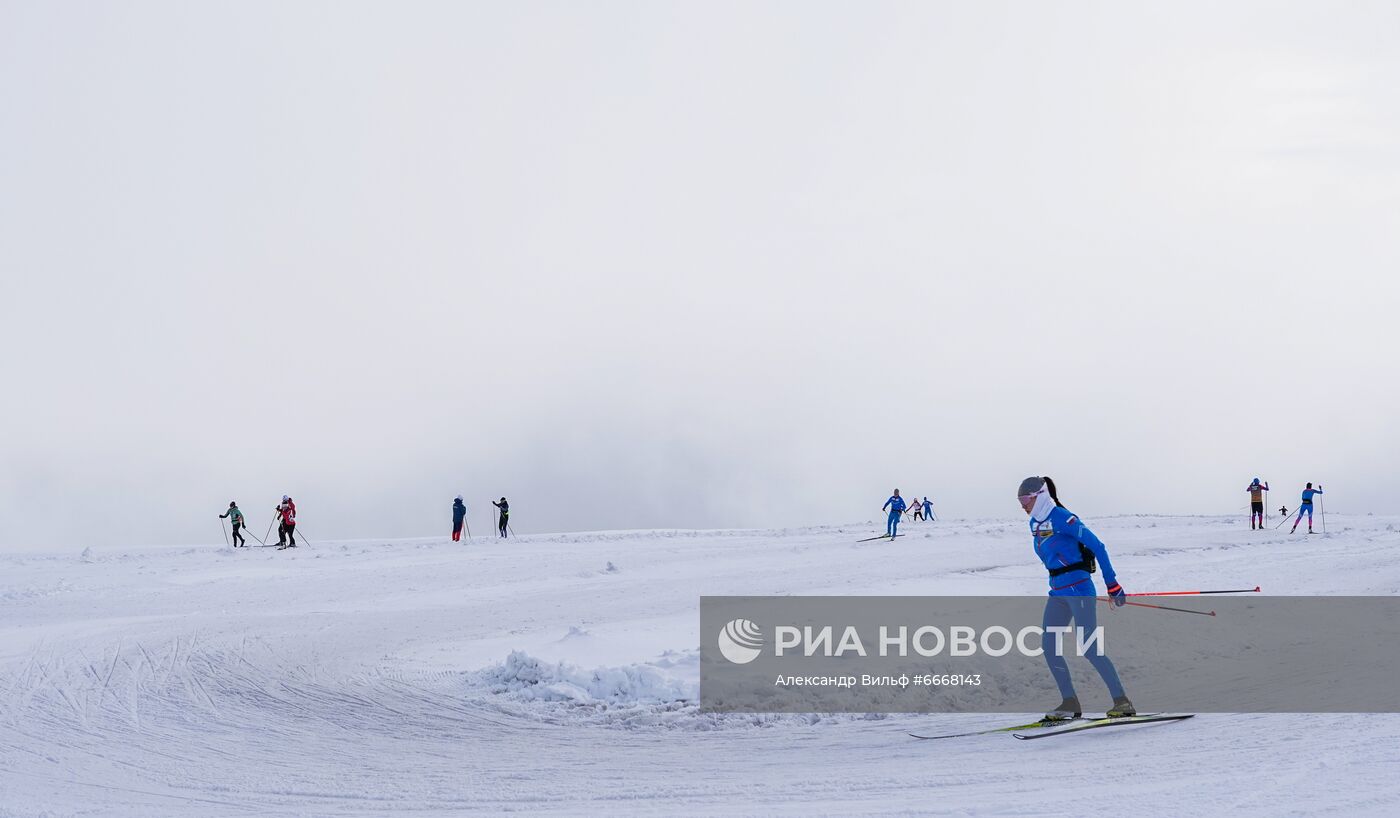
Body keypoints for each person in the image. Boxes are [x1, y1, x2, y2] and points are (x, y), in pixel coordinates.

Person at [1018, 475, 1135, 720]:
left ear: (1040, 496)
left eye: (1026, 500)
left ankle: (1122, 702)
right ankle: (1069, 702)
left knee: (1089, 647)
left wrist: (1112, 584)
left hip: (1079, 589)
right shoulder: (1035, 524)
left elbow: (1098, 546)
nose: (1023, 505)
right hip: (1058, 592)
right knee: (1049, 646)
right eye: (1020, 501)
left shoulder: (1063, 517)